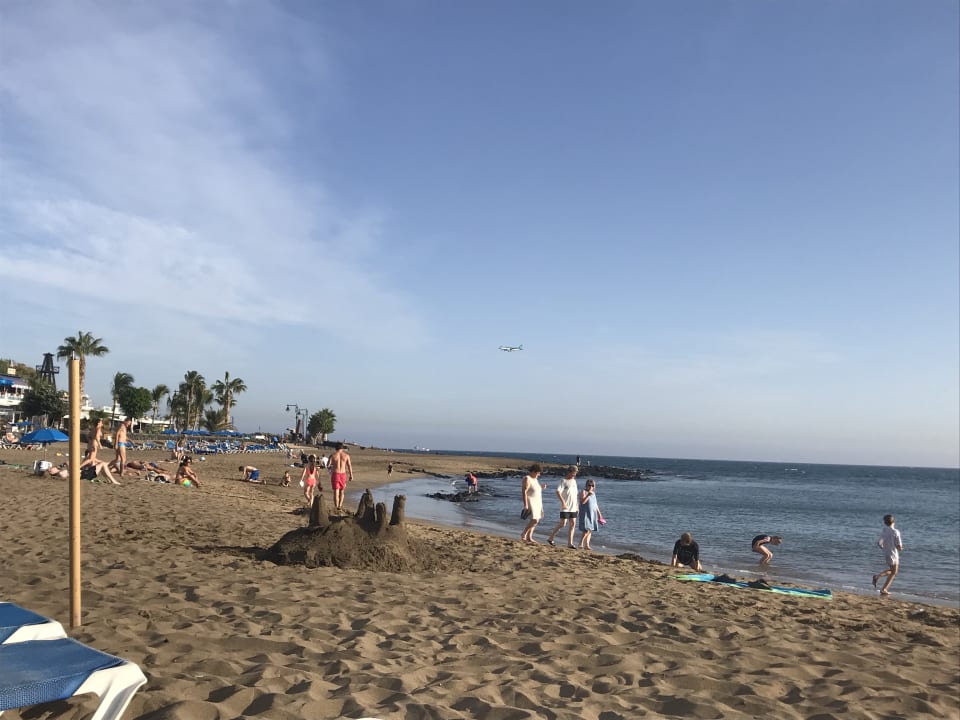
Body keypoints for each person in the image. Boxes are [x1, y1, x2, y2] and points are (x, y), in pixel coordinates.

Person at [546, 465, 579, 548]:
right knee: (562, 524)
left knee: (573, 524)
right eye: (573, 473)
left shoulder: (574, 481)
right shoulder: (563, 481)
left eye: (575, 473)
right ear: (570, 472)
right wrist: (563, 502)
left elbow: (575, 494)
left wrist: (577, 505)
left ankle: (570, 543)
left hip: (573, 507)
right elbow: (558, 492)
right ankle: (551, 537)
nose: (574, 475)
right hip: (565, 507)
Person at [873, 514, 904, 596]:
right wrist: (900, 548)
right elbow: (899, 545)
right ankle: (880, 580)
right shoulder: (895, 531)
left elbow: (879, 543)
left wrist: (884, 549)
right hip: (893, 554)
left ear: (885, 522)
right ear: (893, 521)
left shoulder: (884, 530)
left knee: (893, 571)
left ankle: (883, 588)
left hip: (886, 553)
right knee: (894, 572)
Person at [520, 463, 547, 544]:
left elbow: (535, 489)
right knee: (534, 520)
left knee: (537, 519)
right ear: (534, 471)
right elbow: (524, 492)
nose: (539, 475)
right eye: (538, 473)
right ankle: (523, 534)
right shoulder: (527, 478)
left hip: (538, 502)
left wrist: (541, 487)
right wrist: (525, 505)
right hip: (531, 501)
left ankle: (529, 537)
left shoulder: (535, 479)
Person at [577, 479, 604, 550]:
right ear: (586, 485)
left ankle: (587, 545)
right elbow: (582, 502)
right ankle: (580, 543)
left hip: (592, 513)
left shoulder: (593, 493)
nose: (591, 487)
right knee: (586, 529)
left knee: (590, 529)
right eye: (589, 485)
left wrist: (599, 514)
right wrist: (588, 495)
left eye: (592, 485)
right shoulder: (583, 491)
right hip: (585, 513)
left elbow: (595, 504)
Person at [328, 443, 353, 511]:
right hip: (343, 474)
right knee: (342, 491)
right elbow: (349, 466)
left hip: (336, 474)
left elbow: (328, 465)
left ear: (336, 448)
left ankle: (336, 507)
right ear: (342, 448)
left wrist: (331, 468)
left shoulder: (333, 455)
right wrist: (351, 475)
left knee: (336, 492)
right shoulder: (346, 455)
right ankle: (340, 506)